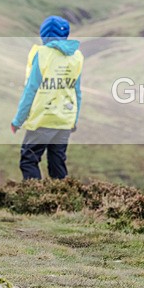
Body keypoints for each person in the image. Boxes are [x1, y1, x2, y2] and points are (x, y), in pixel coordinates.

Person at [11, 16, 83, 180]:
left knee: (29, 160)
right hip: (65, 119)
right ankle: (63, 200)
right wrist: (74, 120)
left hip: (43, 119)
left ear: (44, 35)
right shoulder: (77, 56)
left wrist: (18, 120)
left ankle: (34, 200)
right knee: (57, 162)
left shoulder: (42, 54)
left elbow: (31, 89)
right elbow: (77, 91)